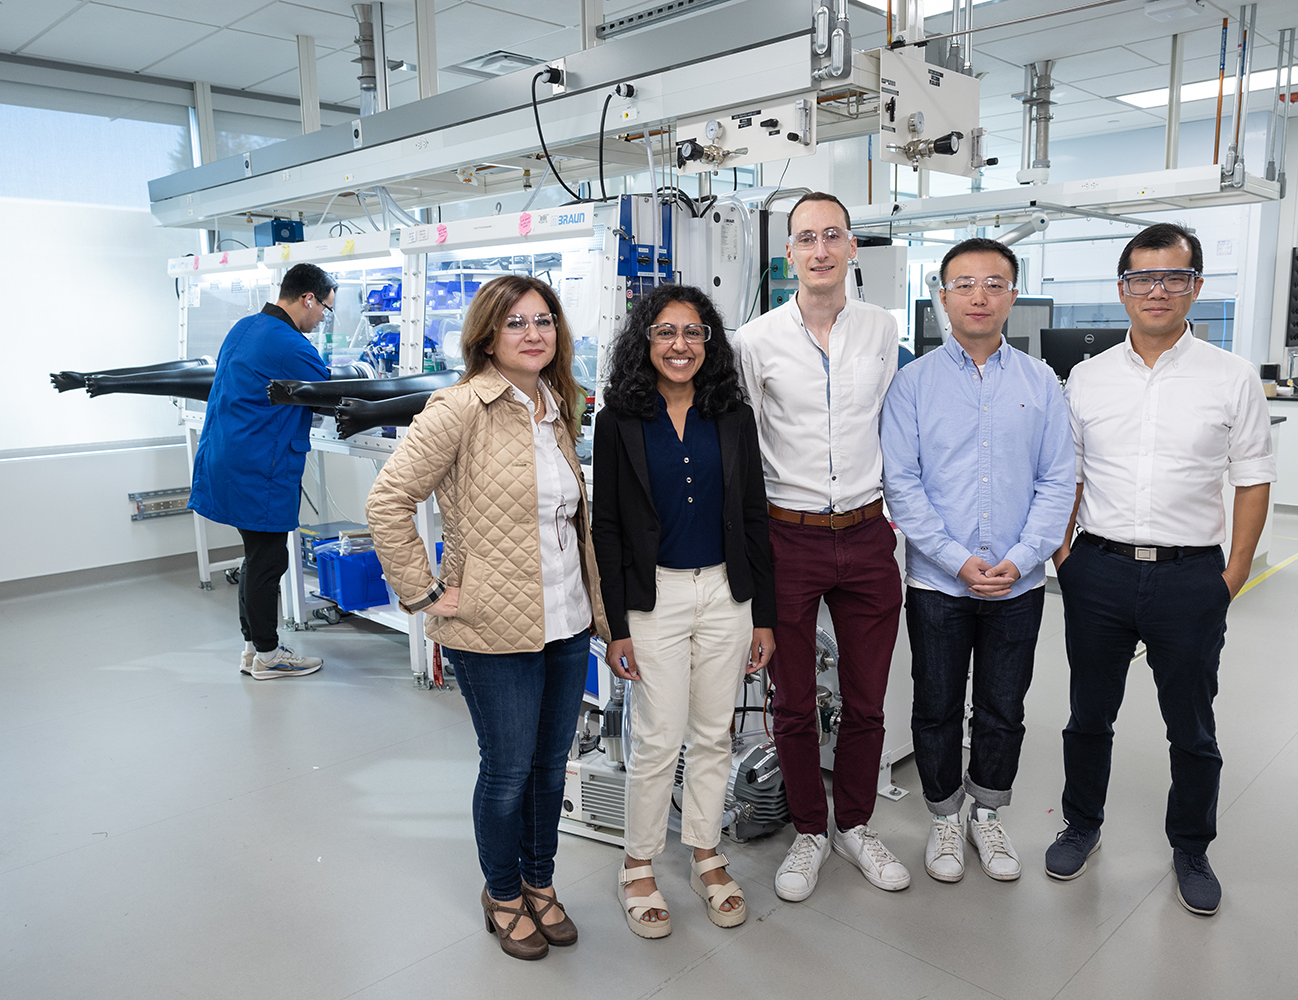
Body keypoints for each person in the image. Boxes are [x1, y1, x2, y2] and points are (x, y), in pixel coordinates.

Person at [366, 275, 609, 961]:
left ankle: (539, 881)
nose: (533, 334)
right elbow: (388, 501)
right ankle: (502, 893)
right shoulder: (459, 409)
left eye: (544, 320)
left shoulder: (558, 406)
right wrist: (422, 592)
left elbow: (572, 521)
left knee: (551, 770)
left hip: (564, 620)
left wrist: (598, 609)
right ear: (487, 336)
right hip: (489, 627)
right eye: (516, 323)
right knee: (507, 770)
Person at [1047, 222, 1275, 916]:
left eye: (1173, 278)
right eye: (1143, 278)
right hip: (1100, 571)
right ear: (1122, 290)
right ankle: (1082, 825)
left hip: (1190, 577)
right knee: (1089, 715)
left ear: (1196, 288)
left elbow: (1254, 477)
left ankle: (1191, 845)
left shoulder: (1231, 377)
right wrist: (1066, 556)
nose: (1157, 291)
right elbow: (1068, 475)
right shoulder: (1087, 377)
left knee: (1192, 724)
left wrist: (1231, 575)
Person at [881, 238, 1074, 883]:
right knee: (935, 702)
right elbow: (902, 484)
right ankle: (943, 817)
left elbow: (1058, 479)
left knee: (1002, 705)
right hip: (939, 581)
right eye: (964, 284)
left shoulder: (1041, 381)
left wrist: (1020, 560)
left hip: (1019, 586)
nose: (979, 296)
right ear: (943, 297)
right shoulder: (911, 384)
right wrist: (956, 559)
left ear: (1013, 296)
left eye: (994, 283)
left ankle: (986, 814)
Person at [734, 191, 909, 900]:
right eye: (806, 238)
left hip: (868, 533)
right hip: (789, 535)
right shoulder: (754, 341)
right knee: (794, 702)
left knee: (868, 700)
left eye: (832, 235)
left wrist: (897, 518)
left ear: (852, 248)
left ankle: (855, 825)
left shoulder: (882, 328)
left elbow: (897, 429)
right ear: (790, 254)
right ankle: (809, 830)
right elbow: (744, 449)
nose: (820, 250)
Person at [591, 283, 777, 939]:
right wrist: (614, 625)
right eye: (666, 332)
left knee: (713, 734)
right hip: (656, 597)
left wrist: (763, 615)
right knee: (657, 737)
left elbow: (754, 516)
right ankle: (637, 864)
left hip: (726, 592)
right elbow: (606, 527)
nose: (680, 345)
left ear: (710, 343)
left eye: (694, 332)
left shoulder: (731, 416)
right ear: (646, 342)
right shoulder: (618, 420)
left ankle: (705, 852)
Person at [189, 262, 334, 680]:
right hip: (258, 466)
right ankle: (270, 656)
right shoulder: (289, 344)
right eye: (324, 307)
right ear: (307, 299)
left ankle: (253, 649)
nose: (323, 317)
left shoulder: (245, 327)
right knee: (269, 559)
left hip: (228, 456)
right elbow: (327, 395)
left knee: (257, 557)